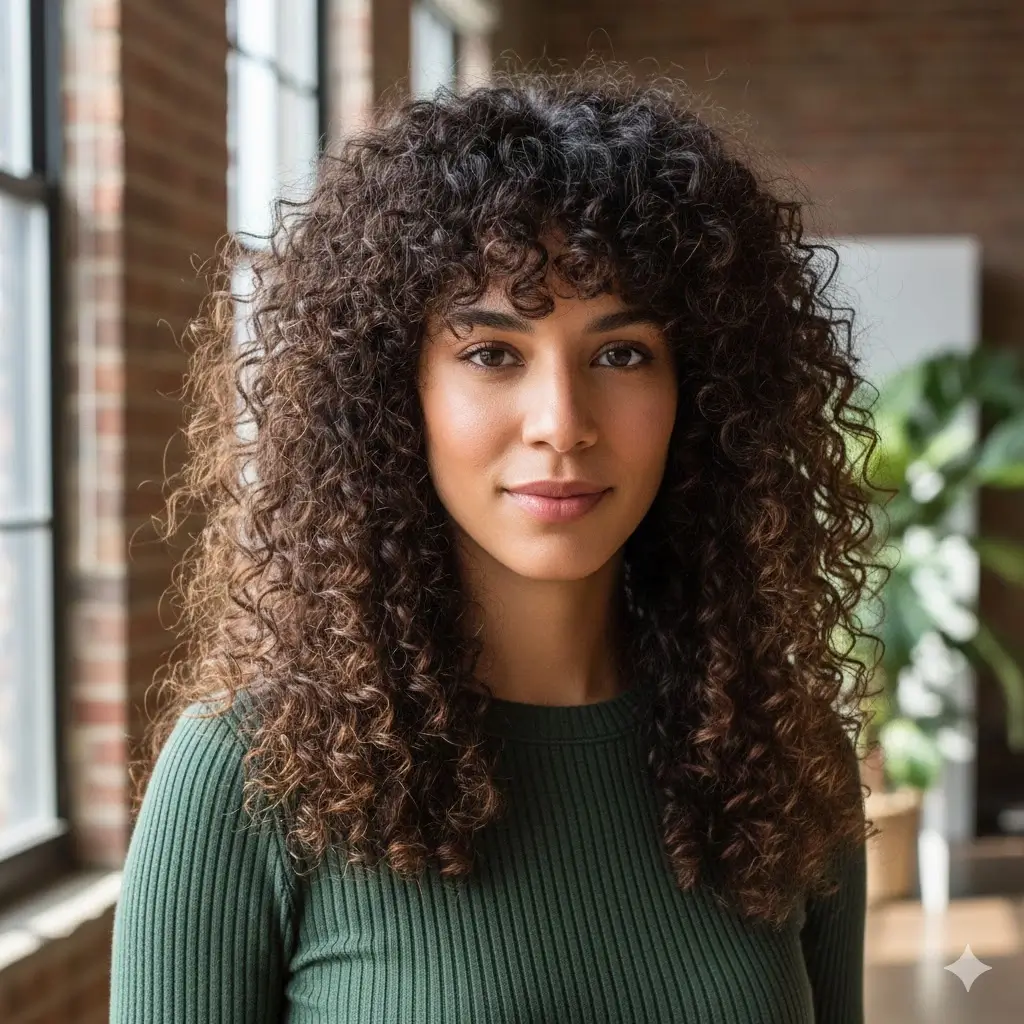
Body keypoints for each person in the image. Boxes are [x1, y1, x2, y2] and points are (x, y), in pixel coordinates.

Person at [109, 60, 884, 1023]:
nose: (563, 421)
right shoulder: (246, 776)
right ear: (395, 395)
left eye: (621, 353)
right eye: (491, 354)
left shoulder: (786, 754)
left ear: (705, 394)